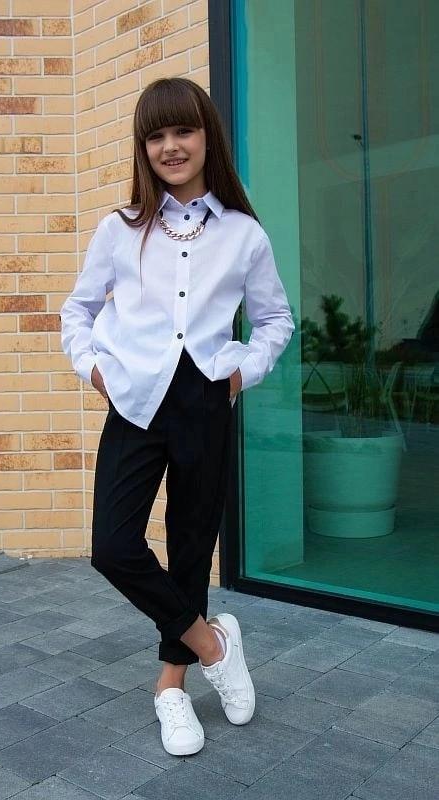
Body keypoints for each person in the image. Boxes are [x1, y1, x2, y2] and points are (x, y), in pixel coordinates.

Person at [60, 77, 294, 757]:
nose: (170, 146)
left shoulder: (244, 235)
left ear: (205, 137)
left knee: (191, 545)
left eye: (183, 131)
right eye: (155, 135)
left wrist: (241, 371)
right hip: (134, 399)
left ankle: (171, 687)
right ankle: (212, 644)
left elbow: (275, 319)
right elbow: (78, 310)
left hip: (204, 400)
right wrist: (94, 368)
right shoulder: (119, 229)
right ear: (143, 147)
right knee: (114, 546)